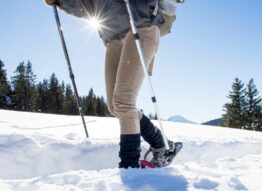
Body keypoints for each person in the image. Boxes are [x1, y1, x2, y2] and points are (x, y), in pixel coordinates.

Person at [44, 0, 174, 169]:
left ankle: (129, 167)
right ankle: (162, 144)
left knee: (124, 102)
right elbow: (88, 7)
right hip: (113, 38)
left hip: (142, 28)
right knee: (115, 106)